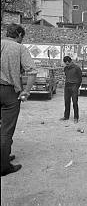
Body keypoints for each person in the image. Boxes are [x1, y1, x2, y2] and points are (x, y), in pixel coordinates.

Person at [1, 23, 37, 176]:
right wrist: (26, 92)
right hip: (9, 92)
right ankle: (3, 167)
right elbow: (32, 72)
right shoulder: (20, 48)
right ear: (20, 35)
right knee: (6, 131)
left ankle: (3, 156)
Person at [60, 56, 82, 123]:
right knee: (66, 102)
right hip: (67, 86)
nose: (67, 65)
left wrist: (77, 87)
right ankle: (66, 116)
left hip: (74, 86)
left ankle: (76, 117)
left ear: (71, 61)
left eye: (68, 63)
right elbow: (66, 76)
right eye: (66, 64)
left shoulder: (77, 68)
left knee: (75, 102)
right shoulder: (65, 68)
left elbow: (80, 79)